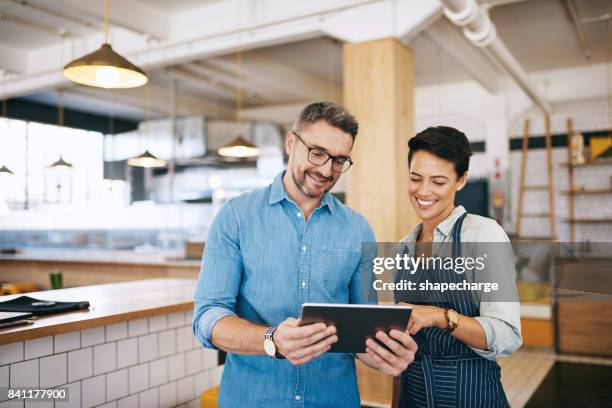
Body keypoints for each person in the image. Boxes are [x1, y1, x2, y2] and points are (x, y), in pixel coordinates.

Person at [193, 102, 417, 408]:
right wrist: (271, 340)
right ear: (291, 143)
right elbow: (208, 318)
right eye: (318, 152)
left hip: (333, 399)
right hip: (252, 399)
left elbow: (360, 332)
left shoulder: (358, 229)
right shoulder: (235, 218)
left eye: (339, 160)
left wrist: (384, 356)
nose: (326, 170)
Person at [396, 126, 522, 408]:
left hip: (471, 395)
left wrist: (440, 316)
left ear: (461, 180)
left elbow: (507, 335)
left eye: (438, 182)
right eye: (416, 179)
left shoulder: (482, 235)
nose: (423, 191)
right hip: (411, 396)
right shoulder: (403, 246)